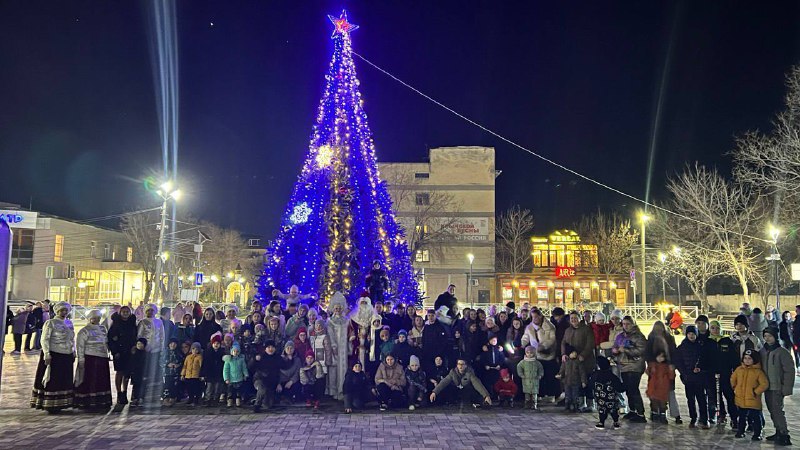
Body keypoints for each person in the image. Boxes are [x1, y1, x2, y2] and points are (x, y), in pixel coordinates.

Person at [30, 301, 75, 413]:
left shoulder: (69, 323)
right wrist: (46, 353)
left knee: (64, 379)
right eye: (62, 310)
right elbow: (45, 339)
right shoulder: (51, 323)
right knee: (53, 379)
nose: (64, 312)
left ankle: (63, 402)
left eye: (65, 310)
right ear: (57, 311)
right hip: (54, 354)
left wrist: (73, 350)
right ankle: (50, 404)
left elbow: (71, 339)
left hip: (66, 355)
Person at [760, 327, 794, 445]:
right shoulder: (763, 351)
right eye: (765, 336)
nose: (767, 338)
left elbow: (789, 371)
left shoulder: (782, 352)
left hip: (777, 387)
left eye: (770, 336)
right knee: (772, 410)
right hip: (767, 387)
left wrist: (786, 388)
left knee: (777, 411)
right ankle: (778, 431)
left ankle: (784, 434)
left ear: (775, 336)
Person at [675, 325, 712, 429]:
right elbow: (678, 362)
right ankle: (693, 418)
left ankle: (704, 419)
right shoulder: (682, 347)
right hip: (688, 378)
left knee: (702, 399)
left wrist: (700, 368)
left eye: (693, 334)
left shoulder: (701, 346)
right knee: (690, 399)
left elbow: (706, 360)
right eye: (689, 334)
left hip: (700, 377)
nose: (691, 336)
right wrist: (684, 373)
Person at [645, 320, 682, 424]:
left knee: (667, 392)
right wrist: (654, 361)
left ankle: (665, 413)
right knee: (654, 392)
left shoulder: (669, 339)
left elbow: (673, 353)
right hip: (655, 369)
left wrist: (670, 364)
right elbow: (647, 353)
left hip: (666, 368)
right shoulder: (651, 339)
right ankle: (654, 412)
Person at [74, 309, 112, 409]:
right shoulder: (84, 330)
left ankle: (102, 401)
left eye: (98, 318)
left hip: (102, 358)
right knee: (90, 380)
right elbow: (80, 346)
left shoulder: (103, 328)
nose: (96, 320)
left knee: (101, 380)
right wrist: (81, 359)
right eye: (94, 318)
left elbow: (106, 342)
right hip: (91, 358)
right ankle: (88, 401)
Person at [613, 315, 647, 423]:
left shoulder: (638, 336)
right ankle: (632, 410)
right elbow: (615, 346)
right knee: (628, 389)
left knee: (634, 389)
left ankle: (641, 413)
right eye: (624, 324)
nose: (626, 326)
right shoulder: (620, 336)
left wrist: (626, 350)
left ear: (633, 324)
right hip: (623, 366)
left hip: (635, 366)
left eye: (628, 324)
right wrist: (615, 351)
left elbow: (641, 350)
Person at [521, 308, 560, 403]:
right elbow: (526, 336)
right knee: (539, 376)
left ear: (540, 316)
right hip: (536, 355)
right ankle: (541, 394)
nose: (535, 319)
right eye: (533, 317)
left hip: (548, 355)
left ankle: (551, 394)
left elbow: (552, 339)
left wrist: (543, 346)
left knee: (550, 375)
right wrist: (523, 343)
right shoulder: (530, 327)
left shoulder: (549, 326)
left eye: (536, 316)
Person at [562, 311, 596, 412]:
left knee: (587, 382)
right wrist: (564, 353)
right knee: (577, 383)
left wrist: (583, 355)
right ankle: (579, 403)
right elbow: (563, 342)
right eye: (571, 318)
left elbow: (590, 344)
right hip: (573, 362)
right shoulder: (568, 330)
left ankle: (590, 403)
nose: (573, 320)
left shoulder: (586, 329)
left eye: (575, 318)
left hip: (586, 361)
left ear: (579, 318)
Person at [731, 349, 768, 440]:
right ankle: (741, 431)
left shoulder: (758, 372)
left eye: (750, 358)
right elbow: (733, 379)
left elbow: (764, 384)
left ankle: (757, 433)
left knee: (756, 417)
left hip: (753, 399)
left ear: (754, 360)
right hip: (741, 399)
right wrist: (735, 388)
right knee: (742, 417)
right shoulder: (739, 369)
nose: (747, 360)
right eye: (745, 358)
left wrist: (755, 392)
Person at [107, 305, 137, 406]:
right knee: (119, 372)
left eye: (127, 311)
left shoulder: (132, 323)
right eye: (123, 311)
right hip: (119, 352)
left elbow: (135, 336)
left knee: (127, 373)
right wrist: (115, 351)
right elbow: (111, 339)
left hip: (130, 351)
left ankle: (125, 392)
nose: (125, 313)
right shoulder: (115, 324)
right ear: (120, 312)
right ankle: (119, 393)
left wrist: (134, 346)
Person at [326, 292, 350, 401]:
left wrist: (349, 346)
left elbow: (350, 333)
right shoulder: (330, 321)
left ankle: (343, 390)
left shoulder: (346, 321)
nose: (338, 310)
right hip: (335, 348)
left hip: (344, 348)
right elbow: (330, 335)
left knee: (343, 369)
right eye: (336, 308)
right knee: (334, 370)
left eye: (339, 308)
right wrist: (334, 346)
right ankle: (334, 391)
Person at [250, 340, 284, 413]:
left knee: (268, 405)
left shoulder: (278, 358)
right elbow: (250, 367)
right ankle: (257, 405)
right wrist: (254, 360)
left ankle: (255, 399)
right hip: (259, 379)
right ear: (265, 349)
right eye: (268, 347)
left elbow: (282, 371)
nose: (270, 349)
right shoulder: (261, 357)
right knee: (262, 389)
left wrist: (279, 383)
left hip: (271, 383)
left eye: (272, 347)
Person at [592, 356, 625, 429]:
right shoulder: (612, 376)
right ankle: (616, 422)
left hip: (600, 399)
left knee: (602, 409)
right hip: (611, 398)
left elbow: (591, 385)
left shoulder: (595, 375)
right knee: (613, 409)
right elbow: (619, 387)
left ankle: (601, 422)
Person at [645, 351, 675, 424]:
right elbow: (647, 372)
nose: (660, 358)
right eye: (658, 357)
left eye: (662, 357)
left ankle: (662, 415)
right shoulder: (652, 364)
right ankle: (655, 414)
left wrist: (671, 370)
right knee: (654, 401)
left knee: (662, 402)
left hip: (663, 387)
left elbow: (671, 376)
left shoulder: (666, 366)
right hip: (653, 386)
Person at [556, 343, 586, 412]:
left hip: (576, 382)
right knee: (568, 396)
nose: (574, 354)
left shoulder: (578, 362)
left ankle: (576, 407)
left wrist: (583, 381)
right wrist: (560, 375)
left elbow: (582, 373)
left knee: (575, 395)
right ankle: (567, 407)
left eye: (575, 352)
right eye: (572, 353)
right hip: (567, 382)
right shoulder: (565, 362)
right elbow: (562, 370)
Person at [201, 334, 226, 406]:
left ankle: (215, 399)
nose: (216, 345)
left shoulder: (222, 352)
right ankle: (208, 399)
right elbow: (205, 364)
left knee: (217, 387)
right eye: (214, 343)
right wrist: (203, 374)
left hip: (218, 373)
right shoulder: (207, 352)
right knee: (209, 387)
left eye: (218, 343)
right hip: (210, 373)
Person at [222, 342, 249, 407]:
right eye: (234, 351)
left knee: (238, 391)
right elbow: (226, 370)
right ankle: (229, 401)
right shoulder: (228, 360)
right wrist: (226, 378)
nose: (235, 353)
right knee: (230, 391)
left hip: (239, 378)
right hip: (231, 379)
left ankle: (238, 401)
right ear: (231, 352)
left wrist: (246, 374)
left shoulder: (241, 360)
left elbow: (244, 368)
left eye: (237, 351)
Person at [162, 337, 184, 406]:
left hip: (175, 373)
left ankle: (172, 398)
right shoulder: (165, 352)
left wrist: (178, 365)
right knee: (166, 386)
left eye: (174, 344)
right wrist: (167, 364)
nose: (173, 345)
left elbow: (182, 361)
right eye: (171, 343)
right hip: (166, 373)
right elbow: (160, 361)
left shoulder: (178, 353)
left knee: (174, 386)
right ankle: (165, 399)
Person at [181, 342, 204, 406]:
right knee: (189, 388)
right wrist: (183, 374)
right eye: (193, 349)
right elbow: (185, 366)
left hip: (196, 375)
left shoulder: (200, 357)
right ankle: (190, 398)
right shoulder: (188, 357)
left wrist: (201, 375)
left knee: (196, 388)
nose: (194, 351)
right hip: (188, 375)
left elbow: (201, 366)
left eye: (196, 349)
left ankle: (196, 399)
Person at [129, 338, 148, 407]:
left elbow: (146, 365)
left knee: (142, 387)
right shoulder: (133, 354)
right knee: (135, 387)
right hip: (135, 373)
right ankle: (135, 399)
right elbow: (131, 364)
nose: (139, 346)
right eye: (138, 344)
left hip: (142, 374)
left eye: (141, 344)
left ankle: (141, 398)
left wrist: (146, 375)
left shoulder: (146, 354)